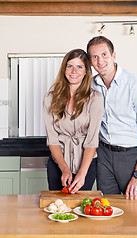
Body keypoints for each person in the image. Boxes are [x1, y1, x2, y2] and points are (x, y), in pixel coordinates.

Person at [87, 36, 137, 200]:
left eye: (104, 54)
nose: (100, 61)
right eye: (95, 57)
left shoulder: (135, 84)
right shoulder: (91, 85)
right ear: (90, 62)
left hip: (132, 156)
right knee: (107, 208)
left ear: (114, 55)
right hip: (104, 154)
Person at [43, 48, 103, 194]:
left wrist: (82, 173)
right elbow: (52, 139)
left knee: (80, 209)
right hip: (58, 165)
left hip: (86, 165)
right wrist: (64, 169)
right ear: (64, 69)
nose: (74, 71)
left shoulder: (95, 98)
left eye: (79, 66)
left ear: (86, 72)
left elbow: (92, 141)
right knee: (58, 208)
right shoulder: (50, 98)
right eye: (70, 66)